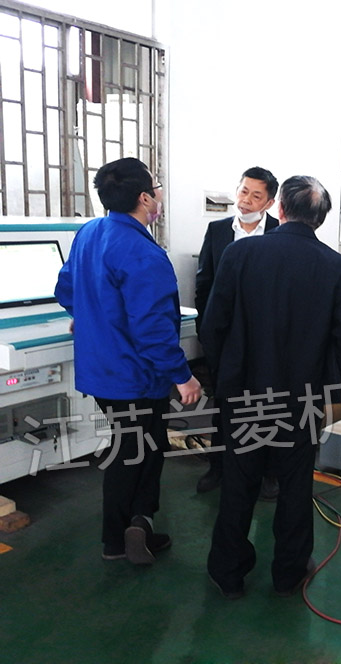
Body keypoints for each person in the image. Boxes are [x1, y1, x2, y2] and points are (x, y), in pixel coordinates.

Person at [200, 175, 341, 599]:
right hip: (303, 399)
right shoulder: (337, 268)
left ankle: (227, 572)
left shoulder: (240, 254)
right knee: (295, 485)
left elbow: (213, 325)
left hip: (244, 394)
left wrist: (225, 378)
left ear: (279, 209)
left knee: (238, 483)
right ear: (320, 218)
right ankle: (289, 572)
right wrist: (326, 381)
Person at [54, 157, 202, 565]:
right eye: (155, 187)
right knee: (133, 451)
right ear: (144, 198)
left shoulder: (89, 233)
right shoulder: (144, 253)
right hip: (136, 376)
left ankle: (140, 523)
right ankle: (118, 538)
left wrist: (87, 315)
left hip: (100, 370)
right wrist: (183, 376)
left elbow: (66, 288)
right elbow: (153, 329)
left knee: (142, 445)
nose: (159, 194)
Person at [194, 166, 279, 498]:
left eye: (256, 195)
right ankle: (218, 467)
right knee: (224, 403)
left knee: (268, 402)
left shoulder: (278, 233)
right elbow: (204, 284)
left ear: (269, 202)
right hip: (225, 337)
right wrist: (207, 332)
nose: (246, 200)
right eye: (243, 191)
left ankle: (268, 472)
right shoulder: (217, 230)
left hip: (265, 337)